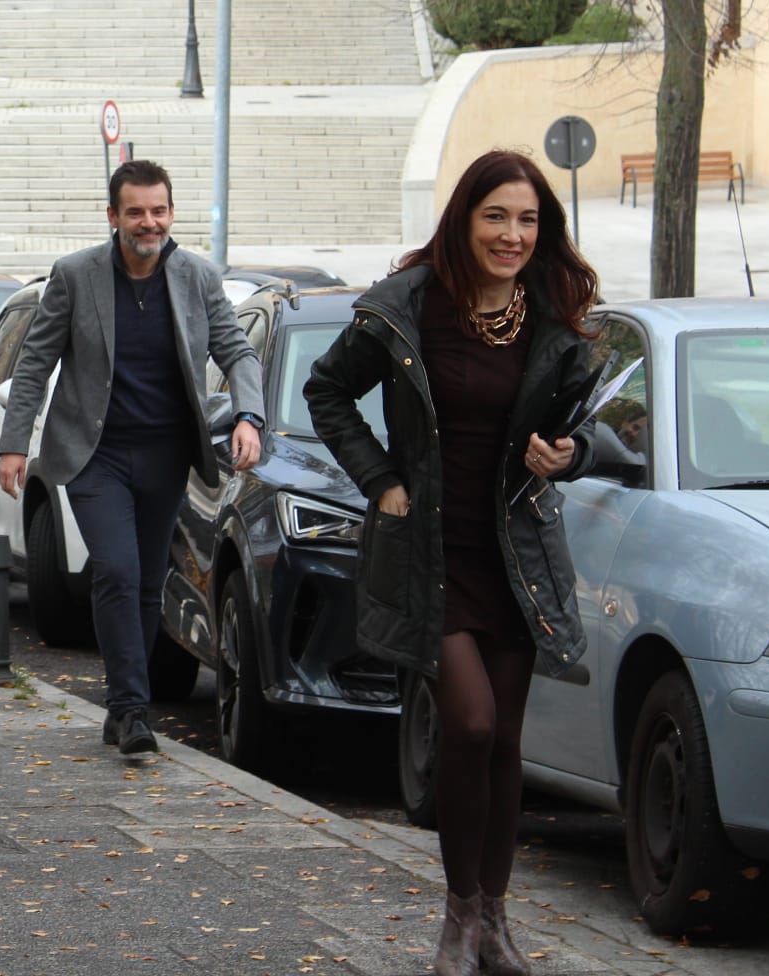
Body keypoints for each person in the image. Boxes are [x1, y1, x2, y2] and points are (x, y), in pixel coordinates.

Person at [304, 149, 598, 976]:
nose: (512, 235)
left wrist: (564, 456)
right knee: (467, 722)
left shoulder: (552, 316)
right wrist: (383, 482)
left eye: (528, 220)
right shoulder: (409, 307)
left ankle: (494, 925)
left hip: (516, 552)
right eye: (496, 216)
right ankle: (457, 915)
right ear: (464, 219)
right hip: (430, 551)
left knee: (504, 739)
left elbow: (592, 435)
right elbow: (327, 392)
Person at [0, 160, 265, 756]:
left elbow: (239, 352)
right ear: (113, 216)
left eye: (159, 210)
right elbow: (35, 362)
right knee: (115, 570)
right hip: (96, 454)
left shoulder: (196, 276)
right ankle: (131, 710)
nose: (150, 222)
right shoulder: (74, 275)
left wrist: (250, 415)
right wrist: (14, 444)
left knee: (146, 581)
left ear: (171, 213)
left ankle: (125, 707)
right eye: (136, 212)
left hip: (167, 454)